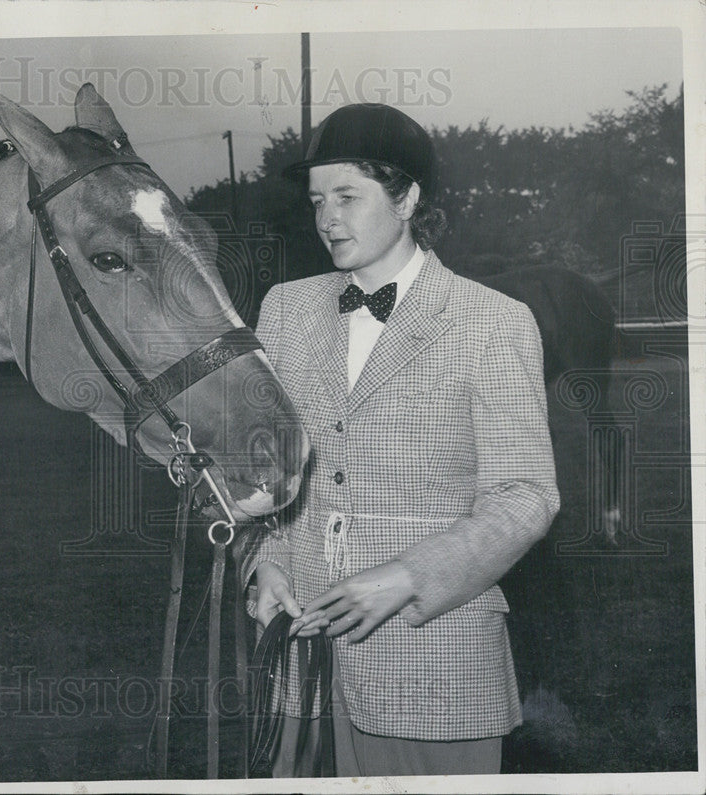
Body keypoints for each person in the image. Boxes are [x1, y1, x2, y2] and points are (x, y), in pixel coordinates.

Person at [237, 103, 560, 777]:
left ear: (407, 196)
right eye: (319, 199)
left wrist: (409, 578)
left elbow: (525, 496)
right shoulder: (284, 309)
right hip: (299, 673)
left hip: (435, 667)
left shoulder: (493, 322)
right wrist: (266, 565)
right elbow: (262, 477)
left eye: (349, 197)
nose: (328, 218)